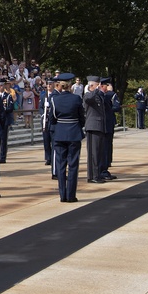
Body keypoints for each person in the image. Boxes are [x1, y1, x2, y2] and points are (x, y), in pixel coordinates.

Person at [48, 72, 85, 202]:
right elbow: (82, 117)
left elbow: (52, 119)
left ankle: (62, 195)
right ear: (70, 85)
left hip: (59, 133)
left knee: (60, 164)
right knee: (73, 165)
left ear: (60, 85)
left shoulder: (54, 99)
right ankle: (71, 195)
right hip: (74, 133)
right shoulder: (76, 99)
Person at [83, 76, 106, 183]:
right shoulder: (88, 95)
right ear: (92, 85)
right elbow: (89, 99)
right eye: (98, 84)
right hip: (92, 126)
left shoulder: (97, 95)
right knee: (93, 153)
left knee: (98, 152)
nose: (99, 86)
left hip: (99, 126)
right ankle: (92, 176)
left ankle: (97, 174)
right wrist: (94, 89)